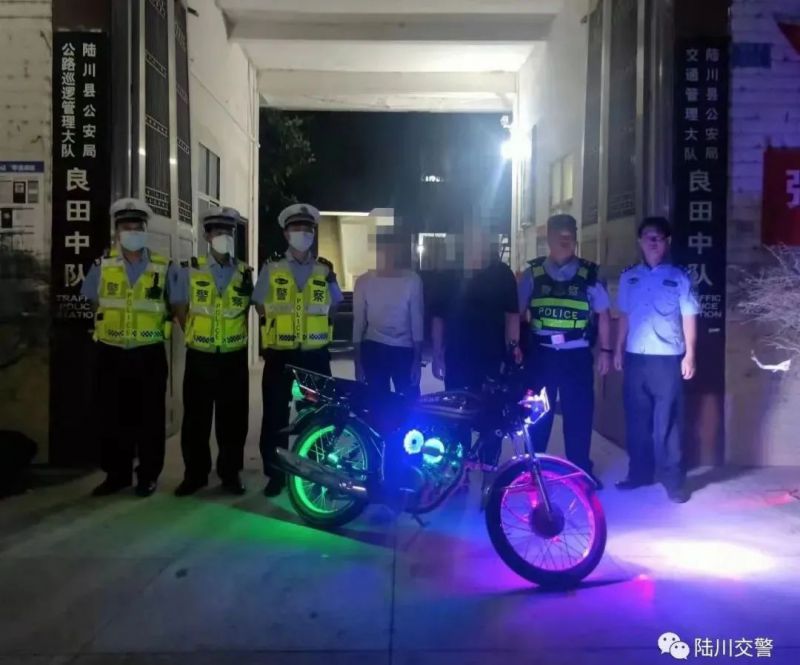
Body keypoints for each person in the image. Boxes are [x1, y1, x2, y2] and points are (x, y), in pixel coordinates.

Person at [81, 198, 176, 497]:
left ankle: (148, 475)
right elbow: (93, 301)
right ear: (117, 231)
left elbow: (176, 305)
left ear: (146, 230)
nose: (132, 232)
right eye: (126, 227)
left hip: (148, 352)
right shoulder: (102, 265)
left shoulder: (164, 266)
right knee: (112, 416)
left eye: (138, 227)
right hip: (111, 351)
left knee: (150, 419)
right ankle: (116, 475)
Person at [513, 213, 611, 487]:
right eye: (560, 235)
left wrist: (606, 351)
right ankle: (532, 472)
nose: (566, 239)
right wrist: (515, 346)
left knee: (579, 416)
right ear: (549, 238)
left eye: (571, 234)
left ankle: (580, 471)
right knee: (537, 416)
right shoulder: (532, 274)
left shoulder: (590, 274)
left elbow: (603, 315)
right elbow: (517, 315)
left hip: (576, 357)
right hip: (541, 357)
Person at [253, 203, 343, 497]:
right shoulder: (272, 267)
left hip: (315, 354)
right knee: (275, 415)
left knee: (318, 415)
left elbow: (335, 304)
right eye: (296, 228)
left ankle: (314, 473)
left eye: (307, 228)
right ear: (286, 233)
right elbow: (259, 304)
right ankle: (276, 473)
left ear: (313, 233)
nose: (302, 233)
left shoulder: (325, 270)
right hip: (280, 354)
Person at [613, 216, 698, 503]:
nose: (653, 242)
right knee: (637, 421)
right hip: (636, 358)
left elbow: (689, 316)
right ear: (639, 242)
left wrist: (690, 354)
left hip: (668, 359)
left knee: (668, 423)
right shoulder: (629, 277)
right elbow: (624, 315)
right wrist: (617, 349)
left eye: (658, 237)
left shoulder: (680, 277)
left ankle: (673, 481)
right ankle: (639, 473)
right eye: (648, 237)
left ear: (667, 242)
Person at [171, 206, 253, 497]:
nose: (224, 236)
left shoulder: (244, 272)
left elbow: (247, 310)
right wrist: (196, 333)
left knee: (233, 421)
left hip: (234, 356)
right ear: (207, 236)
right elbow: (179, 308)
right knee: (196, 420)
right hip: (201, 355)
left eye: (228, 232)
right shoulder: (190, 269)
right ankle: (195, 475)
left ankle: (230, 474)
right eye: (218, 232)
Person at [430, 227, 519, 469]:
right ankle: (459, 469)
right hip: (457, 356)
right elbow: (438, 318)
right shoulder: (448, 275)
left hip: (492, 357)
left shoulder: (502, 274)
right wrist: (437, 354)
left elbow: (512, 315)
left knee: (492, 413)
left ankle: (488, 465)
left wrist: (513, 349)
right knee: (457, 414)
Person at [353, 231, 424, 397]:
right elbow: (358, 323)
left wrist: (417, 359)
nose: (388, 254)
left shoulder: (412, 280)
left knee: (409, 401)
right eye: (383, 249)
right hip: (374, 347)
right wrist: (358, 361)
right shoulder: (364, 281)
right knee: (377, 402)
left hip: (404, 349)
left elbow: (417, 321)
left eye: (392, 249)